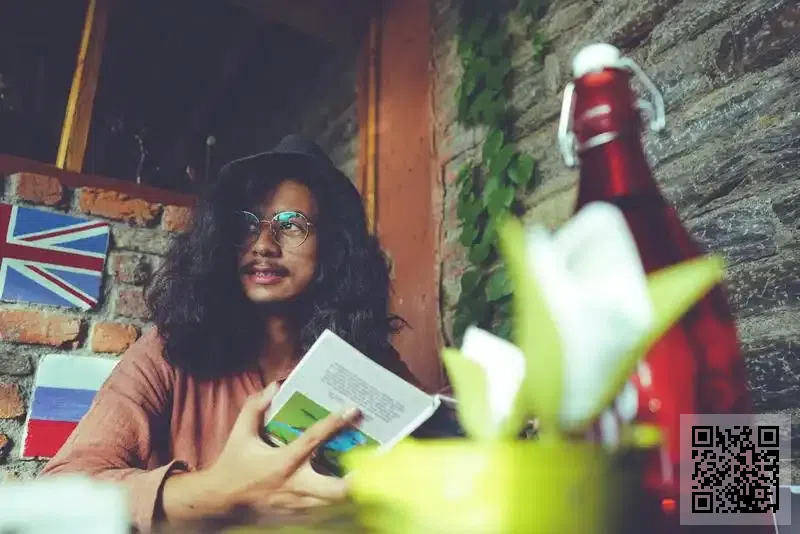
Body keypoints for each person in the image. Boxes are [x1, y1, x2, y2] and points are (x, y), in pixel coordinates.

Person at [40, 134, 418, 532]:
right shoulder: (168, 353)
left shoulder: (374, 363)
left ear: (333, 247)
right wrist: (221, 491)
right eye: (246, 225)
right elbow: (59, 495)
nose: (263, 245)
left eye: (291, 225)